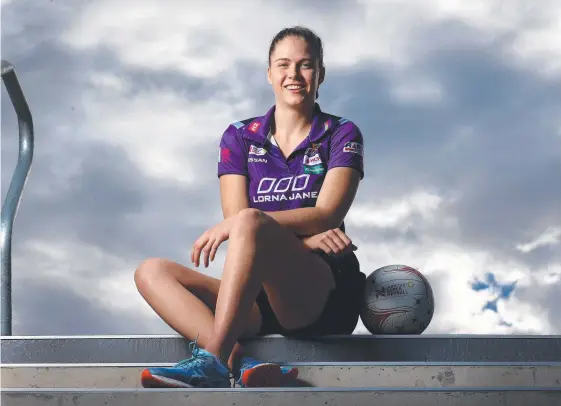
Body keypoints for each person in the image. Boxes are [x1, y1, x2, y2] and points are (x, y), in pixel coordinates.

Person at [134, 26, 366, 389]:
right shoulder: (240, 136)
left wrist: (267, 234)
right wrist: (295, 237)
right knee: (151, 271)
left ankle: (210, 361)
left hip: (318, 290)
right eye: (283, 64)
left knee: (249, 222)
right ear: (269, 72)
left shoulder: (341, 132)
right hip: (255, 291)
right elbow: (238, 220)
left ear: (320, 73)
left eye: (305, 65)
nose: (293, 74)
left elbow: (327, 215)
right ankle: (238, 359)